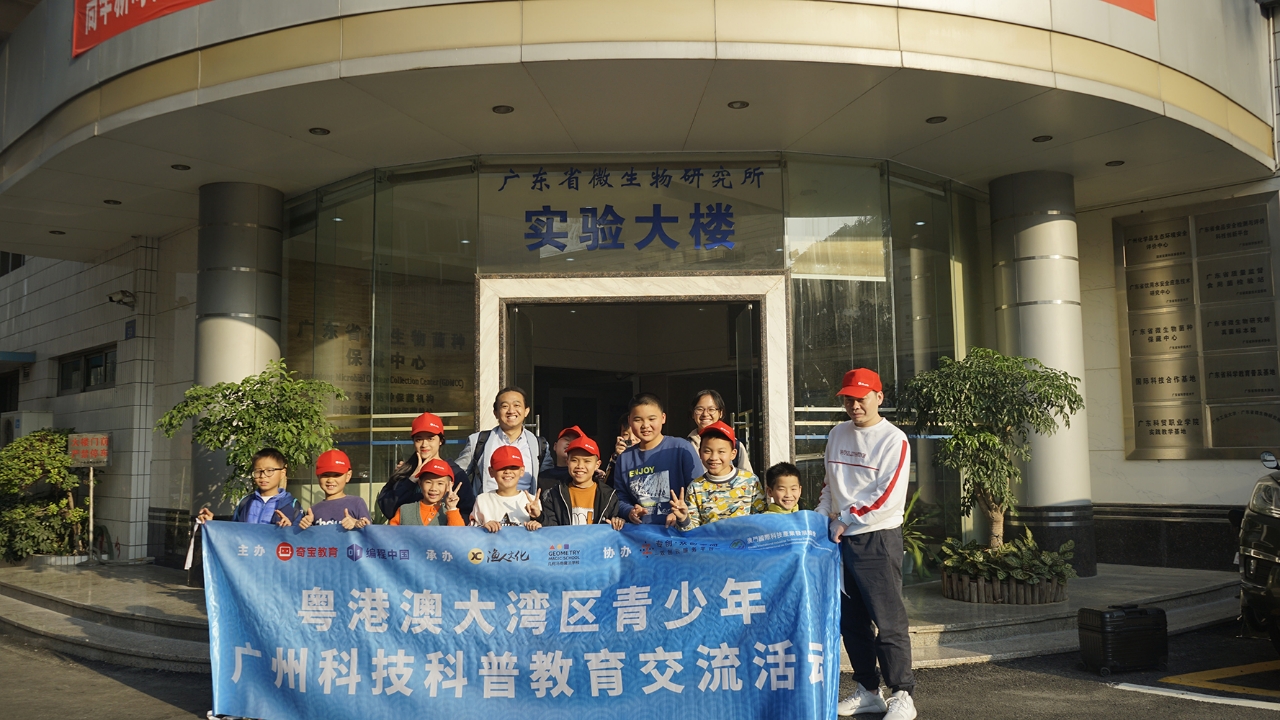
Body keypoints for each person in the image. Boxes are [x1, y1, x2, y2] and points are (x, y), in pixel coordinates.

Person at [815, 368, 916, 720]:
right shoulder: (837, 433)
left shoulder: (893, 439)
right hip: (839, 539)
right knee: (852, 621)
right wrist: (822, 516)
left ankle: (902, 693)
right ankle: (869, 691)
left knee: (888, 621)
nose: (854, 405)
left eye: (861, 398)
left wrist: (846, 518)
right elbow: (830, 484)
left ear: (879, 397)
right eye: (848, 399)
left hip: (876, 538)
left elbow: (887, 495)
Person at [611, 393, 702, 526]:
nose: (645, 425)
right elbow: (620, 497)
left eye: (651, 419)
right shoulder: (624, 458)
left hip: (678, 531)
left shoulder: (681, 448)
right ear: (629, 421)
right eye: (638, 420)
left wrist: (681, 513)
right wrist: (630, 511)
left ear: (663, 418)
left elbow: (699, 490)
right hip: (641, 534)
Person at [377, 411, 476, 521]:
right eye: (419, 439)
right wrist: (411, 479)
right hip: (407, 532)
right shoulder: (405, 471)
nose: (424, 444)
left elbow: (468, 513)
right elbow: (388, 509)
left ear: (441, 441)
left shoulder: (456, 474)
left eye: (430, 438)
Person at [455, 387, 554, 495]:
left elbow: (548, 482)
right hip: (487, 505)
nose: (511, 411)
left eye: (517, 405)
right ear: (495, 413)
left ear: (526, 411)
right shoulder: (478, 441)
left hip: (526, 505)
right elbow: (457, 475)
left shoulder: (539, 445)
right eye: (505, 406)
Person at [670, 421, 765, 530]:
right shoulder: (695, 487)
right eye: (707, 451)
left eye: (721, 452)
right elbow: (692, 532)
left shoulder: (750, 481)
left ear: (733, 454)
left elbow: (762, 521)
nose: (714, 457)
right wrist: (683, 519)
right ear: (700, 452)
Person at [196, 447, 302, 526]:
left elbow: (300, 539)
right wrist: (211, 524)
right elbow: (234, 533)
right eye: (258, 471)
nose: (263, 476)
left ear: (282, 473)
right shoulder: (245, 502)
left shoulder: (292, 505)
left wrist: (289, 529)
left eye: (269, 470)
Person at [539, 435, 624, 530]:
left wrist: (617, 522)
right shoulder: (554, 494)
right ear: (567, 462)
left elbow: (615, 521)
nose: (580, 466)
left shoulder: (609, 496)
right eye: (574, 460)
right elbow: (551, 529)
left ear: (597, 465)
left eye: (587, 461)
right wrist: (539, 517)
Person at [297, 449, 372, 531]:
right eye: (325, 475)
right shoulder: (313, 511)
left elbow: (370, 532)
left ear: (348, 476)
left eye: (337, 475)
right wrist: (305, 527)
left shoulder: (357, 503)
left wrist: (356, 523)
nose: (330, 480)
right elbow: (309, 537)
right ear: (318, 476)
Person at [472, 445, 542, 532]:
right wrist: (483, 528)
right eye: (501, 467)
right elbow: (471, 533)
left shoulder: (533, 502)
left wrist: (538, 521)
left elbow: (543, 534)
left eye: (513, 467)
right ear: (491, 471)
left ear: (522, 471)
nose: (508, 471)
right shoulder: (482, 500)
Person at [687, 389, 753, 472]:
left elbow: (747, 477)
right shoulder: (685, 446)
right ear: (693, 414)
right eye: (699, 409)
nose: (705, 414)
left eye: (711, 409)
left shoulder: (735, 445)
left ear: (720, 413)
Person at [387, 457, 465, 527]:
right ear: (420, 483)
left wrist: (452, 508)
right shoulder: (405, 511)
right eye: (428, 482)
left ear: (449, 486)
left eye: (440, 483)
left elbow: (458, 535)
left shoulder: (450, 514)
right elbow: (390, 535)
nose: (433, 488)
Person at [536, 425, 585, 492]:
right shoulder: (541, 477)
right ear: (555, 446)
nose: (570, 443)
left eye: (575, 441)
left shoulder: (587, 476)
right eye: (566, 439)